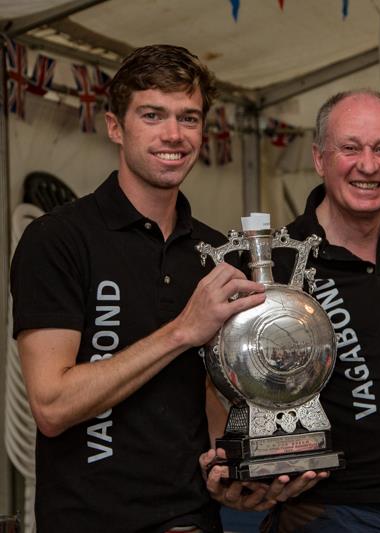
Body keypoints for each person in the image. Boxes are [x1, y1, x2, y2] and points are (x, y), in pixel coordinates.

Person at [10, 44, 313, 533]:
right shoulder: (59, 239)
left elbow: (214, 389)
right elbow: (52, 406)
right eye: (153, 115)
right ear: (115, 126)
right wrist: (183, 330)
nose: (173, 135)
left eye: (188, 118)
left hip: (191, 521)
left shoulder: (218, 252)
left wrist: (236, 471)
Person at [226, 89, 380, 532]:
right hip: (336, 512)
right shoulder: (281, 261)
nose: (368, 165)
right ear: (320, 159)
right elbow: (230, 375)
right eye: (350, 148)